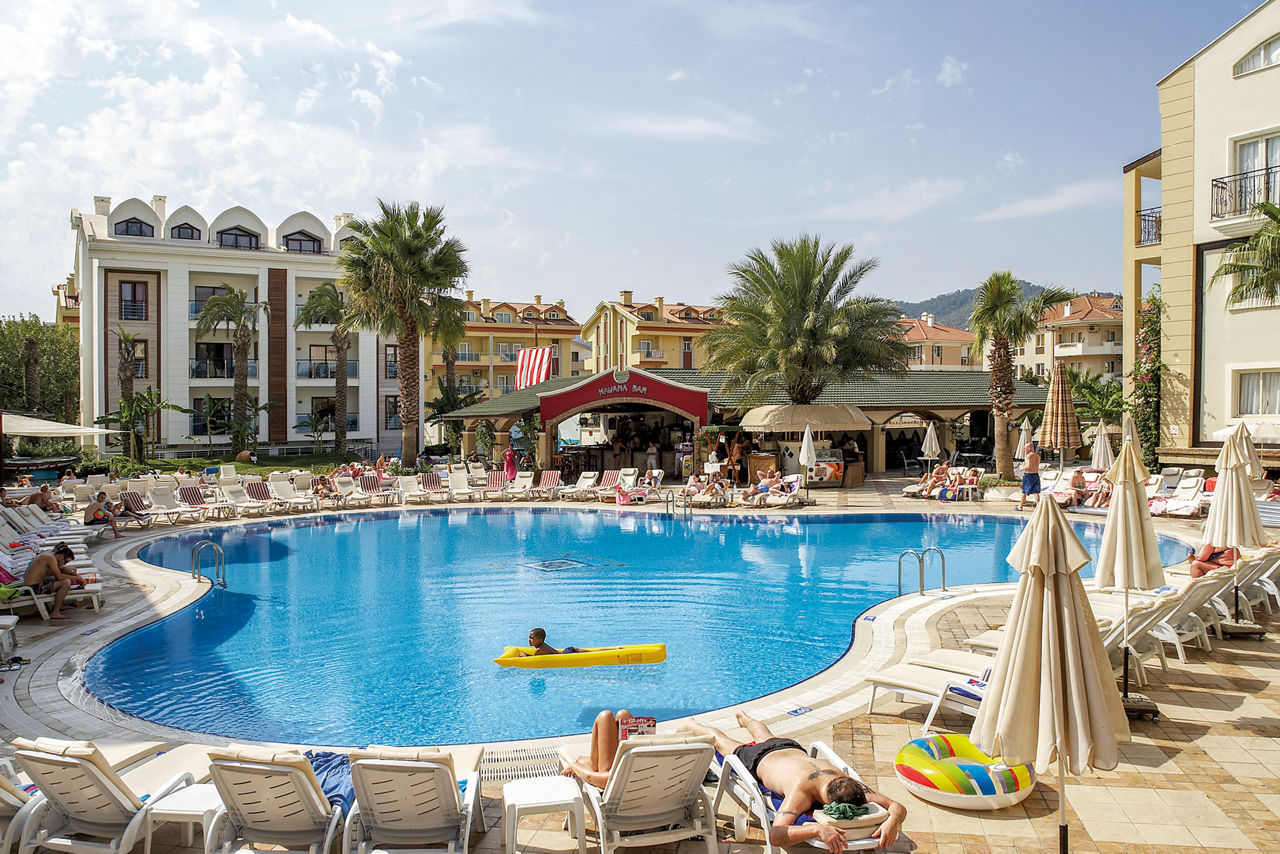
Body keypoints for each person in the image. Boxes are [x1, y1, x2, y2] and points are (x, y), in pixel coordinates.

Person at [682, 711, 904, 851]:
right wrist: (816, 830)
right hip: (759, 758)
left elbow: (897, 806)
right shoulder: (801, 792)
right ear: (827, 803)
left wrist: (893, 821)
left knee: (765, 736)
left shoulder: (848, 784)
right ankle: (692, 725)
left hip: (789, 747)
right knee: (721, 741)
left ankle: (745, 718)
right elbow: (776, 835)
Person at [561, 709, 638, 788]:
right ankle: (590, 762)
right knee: (623, 715)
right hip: (634, 767)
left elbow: (590, 777)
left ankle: (591, 764)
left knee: (604, 717)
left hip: (611, 774)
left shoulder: (610, 778)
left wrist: (574, 765)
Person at [21, 544, 83, 620]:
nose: (64, 564)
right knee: (65, 582)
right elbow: (59, 576)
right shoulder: (50, 558)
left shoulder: (50, 555)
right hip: (34, 589)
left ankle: (59, 605)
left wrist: (76, 575)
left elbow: (62, 568)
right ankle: (55, 612)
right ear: (60, 556)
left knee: (62, 578)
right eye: (66, 561)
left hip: (34, 586)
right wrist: (76, 578)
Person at [1017, 443, 1041, 511]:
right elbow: (1036, 465)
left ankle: (1020, 506)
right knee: (1036, 492)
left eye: (1025, 448)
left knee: (1024, 491)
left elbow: (1028, 467)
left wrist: (1021, 468)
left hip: (1029, 475)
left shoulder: (1029, 456)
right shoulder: (1037, 456)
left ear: (1030, 448)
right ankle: (1039, 507)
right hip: (1036, 475)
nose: (1024, 449)